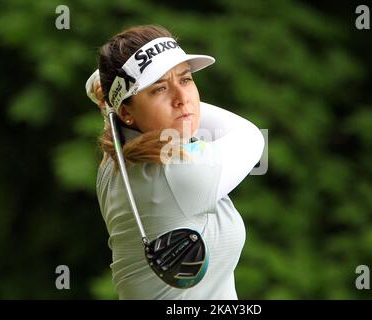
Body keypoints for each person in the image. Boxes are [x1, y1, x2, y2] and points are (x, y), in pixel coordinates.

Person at [87, 25, 264, 299]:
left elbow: (128, 113)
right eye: (159, 89)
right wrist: (109, 96)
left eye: (185, 79)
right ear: (126, 112)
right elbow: (251, 136)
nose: (182, 99)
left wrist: (115, 100)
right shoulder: (182, 171)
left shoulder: (113, 160)